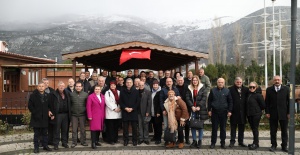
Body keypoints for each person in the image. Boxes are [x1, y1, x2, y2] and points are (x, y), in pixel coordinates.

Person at [265, 75, 290, 152]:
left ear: (281, 81)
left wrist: (289, 112)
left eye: (278, 80)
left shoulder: (287, 89)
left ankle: (284, 146)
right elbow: (267, 102)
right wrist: (267, 112)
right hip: (273, 113)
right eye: (275, 80)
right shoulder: (269, 90)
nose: (277, 81)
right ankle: (273, 145)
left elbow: (289, 102)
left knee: (284, 131)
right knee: (273, 131)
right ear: (273, 81)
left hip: (284, 113)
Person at [208, 78, 233, 149]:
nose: (220, 83)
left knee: (223, 129)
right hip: (215, 112)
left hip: (224, 112)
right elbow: (209, 101)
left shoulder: (227, 91)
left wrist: (229, 111)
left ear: (224, 83)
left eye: (222, 82)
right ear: (217, 83)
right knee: (214, 128)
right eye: (219, 82)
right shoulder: (213, 90)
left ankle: (223, 143)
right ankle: (213, 142)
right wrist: (209, 110)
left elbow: (230, 101)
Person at [28, 82, 52, 153]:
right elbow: (30, 106)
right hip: (36, 118)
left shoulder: (47, 95)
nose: (41, 87)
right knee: (37, 134)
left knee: (45, 133)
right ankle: (36, 147)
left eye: (42, 86)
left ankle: (45, 146)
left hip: (45, 118)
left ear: (45, 87)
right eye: (40, 86)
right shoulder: (33, 96)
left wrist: (49, 111)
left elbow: (49, 106)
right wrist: (35, 113)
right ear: (37, 87)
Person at [186, 75, 208, 148]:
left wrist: (199, 106)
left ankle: (200, 141)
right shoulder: (189, 88)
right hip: (192, 109)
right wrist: (192, 106)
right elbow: (187, 98)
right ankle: (194, 140)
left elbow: (204, 98)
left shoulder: (203, 88)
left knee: (200, 125)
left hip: (200, 109)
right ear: (192, 81)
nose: (194, 81)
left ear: (198, 81)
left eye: (196, 80)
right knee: (193, 125)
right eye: (193, 80)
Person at [49, 81, 71, 150]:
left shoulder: (67, 93)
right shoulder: (53, 94)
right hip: (57, 114)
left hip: (66, 114)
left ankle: (64, 142)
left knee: (65, 129)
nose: (61, 87)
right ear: (57, 86)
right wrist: (51, 112)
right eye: (60, 86)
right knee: (56, 130)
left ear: (64, 87)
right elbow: (50, 104)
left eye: (63, 86)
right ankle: (56, 144)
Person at [159, 77, 180, 146]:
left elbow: (178, 99)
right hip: (166, 111)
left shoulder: (176, 89)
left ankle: (173, 139)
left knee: (173, 125)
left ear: (172, 82)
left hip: (174, 111)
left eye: (170, 81)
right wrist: (163, 110)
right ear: (166, 82)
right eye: (167, 81)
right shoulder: (163, 90)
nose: (169, 83)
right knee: (166, 126)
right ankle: (167, 140)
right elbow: (161, 101)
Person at [228, 77, 248, 147]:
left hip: (243, 112)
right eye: (237, 82)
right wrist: (229, 110)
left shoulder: (246, 89)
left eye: (240, 82)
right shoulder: (230, 89)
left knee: (241, 128)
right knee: (233, 128)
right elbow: (229, 100)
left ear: (242, 82)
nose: (239, 83)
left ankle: (241, 141)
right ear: (235, 82)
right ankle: (232, 141)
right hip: (233, 112)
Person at [120, 78, 140, 146]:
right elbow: (120, 101)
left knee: (134, 128)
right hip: (125, 111)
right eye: (127, 82)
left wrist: (132, 108)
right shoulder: (122, 91)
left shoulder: (136, 91)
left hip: (133, 112)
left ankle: (135, 140)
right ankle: (126, 140)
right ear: (125, 83)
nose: (128, 84)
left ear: (132, 83)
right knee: (125, 128)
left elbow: (138, 102)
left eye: (130, 82)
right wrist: (125, 108)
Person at [246, 82, 265, 150]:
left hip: (256, 114)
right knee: (253, 129)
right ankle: (254, 142)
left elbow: (263, 105)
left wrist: (257, 110)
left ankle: (256, 143)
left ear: (256, 87)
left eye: (253, 87)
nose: (252, 88)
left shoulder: (258, 95)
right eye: (250, 87)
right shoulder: (248, 94)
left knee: (255, 128)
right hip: (249, 114)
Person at [70, 82, 89, 148]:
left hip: (82, 114)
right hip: (74, 114)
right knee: (74, 129)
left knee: (83, 129)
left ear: (82, 87)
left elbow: (87, 105)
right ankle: (74, 142)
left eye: (79, 86)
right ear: (75, 87)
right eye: (77, 86)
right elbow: (70, 104)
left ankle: (83, 141)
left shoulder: (86, 94)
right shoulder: (71, 94)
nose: (78, 87)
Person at [105, 81, 122, 145]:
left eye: (114, 85)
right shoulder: (107, 92)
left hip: (118, 111)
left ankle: (115, 139)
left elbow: (121, 100)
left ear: (116, 86)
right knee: (110, 127)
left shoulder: (119, 92)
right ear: (110, 86)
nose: (113, 86)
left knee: (116, 127)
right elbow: (107, 102)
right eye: (111, 85)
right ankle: (110, 140)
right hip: (111, 112)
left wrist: (120, 108)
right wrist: (114, 108)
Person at [176, 76, 190, 145]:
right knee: (179, 125)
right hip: (178, 109)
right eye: (178, 80)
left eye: (181, 80)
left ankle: (187, 138)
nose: (180, 81)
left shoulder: (187, 87)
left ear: (183, 81)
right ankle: (180, 139)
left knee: (187, 125)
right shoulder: (175, 87)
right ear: (177, 81)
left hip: (187, 107)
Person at [42, 78, 55, 146]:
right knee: (43, 128)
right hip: (42, 113)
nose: (46, 84)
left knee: (51, 128)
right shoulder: (39, 91)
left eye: (47, 83)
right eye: (44, 83)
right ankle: (42, 141)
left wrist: (52, 112)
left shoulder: (52, 91)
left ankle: (50, 141)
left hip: (51, 113)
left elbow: (54, 103)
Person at [150, 80, 162, 144]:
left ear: (158, 85)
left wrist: (158, 112)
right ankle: (155, 136)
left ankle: (158, 138)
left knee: (158, 126)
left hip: (158, 112)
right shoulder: (151, 92)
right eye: (154, 85)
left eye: (156, 85)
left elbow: (160, 103)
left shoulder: (160, 92)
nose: (155, 86)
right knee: (154, 125)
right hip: (152, 111)